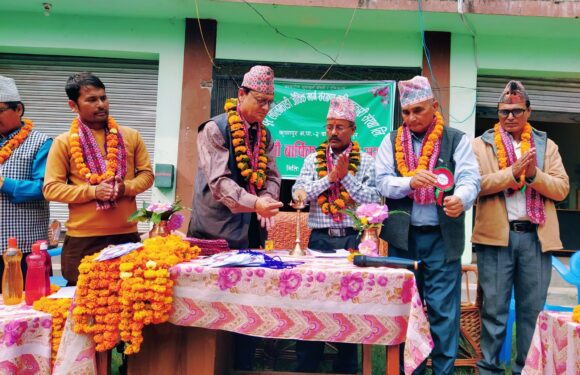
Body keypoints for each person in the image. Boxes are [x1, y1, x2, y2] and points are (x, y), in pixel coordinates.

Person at [375, 76, 480, 374]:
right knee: (407, 309)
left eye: (418, 110)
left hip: (441, 238)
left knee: (442, 311)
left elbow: (471, 179)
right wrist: (410, 180)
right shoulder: (391, 140)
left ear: (434, 106)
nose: (411, 118)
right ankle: (411, 370)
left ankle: (443, 371)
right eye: (406, 112)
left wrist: (460, 198)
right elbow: (380, 181)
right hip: (402, 240)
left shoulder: (455, 139)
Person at [187, 65, 283, 370]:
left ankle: (243, 365)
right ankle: (208, 365)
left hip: (251, 229)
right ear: (241, 95)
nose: (266, 109)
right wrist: (256, 202)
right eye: (260, 100)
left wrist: (268, 195)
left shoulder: (264, 134)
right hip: (215, 231)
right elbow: (220, 183)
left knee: (248, 301)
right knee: (212, 302)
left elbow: (272, 174)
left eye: (270, 102)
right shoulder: (214, 129)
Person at [472, 80, 569, 375]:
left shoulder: (546, 145)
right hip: (497, 239)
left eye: (516, 110)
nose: (510, 116)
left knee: (531, 312)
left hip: (535, 239)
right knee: (494, 310)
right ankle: (489, 369)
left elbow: (562, 188)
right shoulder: (481, 144)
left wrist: (533, 175)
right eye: (503, 112)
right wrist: (511, 173)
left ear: (528, 111)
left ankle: (525, 369)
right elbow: (476, 185)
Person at [292, 96, 379, 374]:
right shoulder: (311, 160)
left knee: (349, 306)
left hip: (353, 240)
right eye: (329, 126)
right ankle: (307, 365)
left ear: (353, 129)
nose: (333, 132)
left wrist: (347, 178)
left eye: (340, 127)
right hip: (319, 240)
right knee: (312, 302)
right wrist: (329, 179)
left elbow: (375, 198)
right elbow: (299, 195)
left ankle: (345, 368)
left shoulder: (365, 162)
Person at [43, 72, 154, 286]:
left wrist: (126, 188)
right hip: (83, 238)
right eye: (91, 100)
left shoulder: (131, 136)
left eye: (103, 97)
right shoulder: (64, 142)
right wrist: (92, 191)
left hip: (126, 235)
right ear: (73, 105)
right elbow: (51, 188)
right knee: (84, 306)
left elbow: (147, 175)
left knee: (131, 300)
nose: (101, 104)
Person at [0, 75, 52, 289]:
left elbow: (45, 187)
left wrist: (4, 183)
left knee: (21, 305)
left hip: (24, 247)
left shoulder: (42, 142)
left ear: (18, 109)